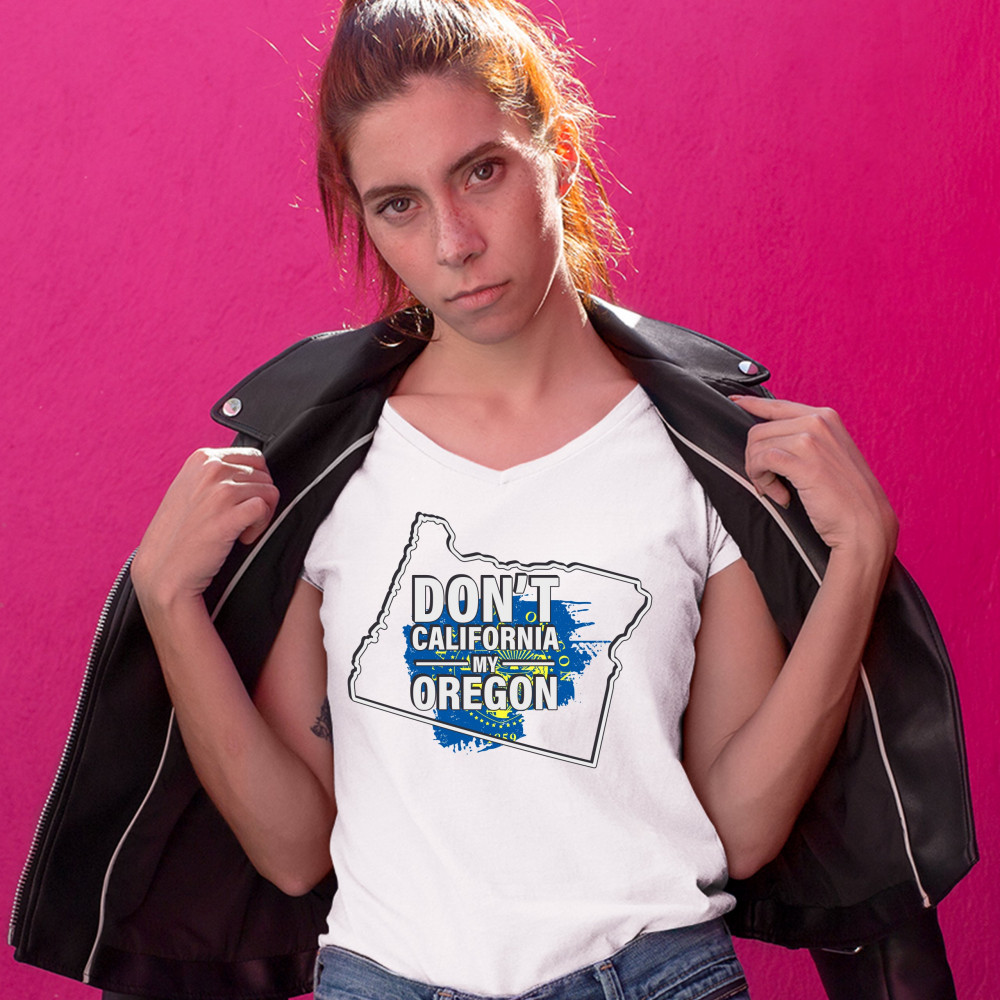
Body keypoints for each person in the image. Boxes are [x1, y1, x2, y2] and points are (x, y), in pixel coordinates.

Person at [10, 1, 973, 999]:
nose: (455, 242)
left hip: (652, 973)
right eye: (398, 204)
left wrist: (858, 564)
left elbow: (732, 829)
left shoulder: (702, 460)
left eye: (481, 171)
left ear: (558, 155)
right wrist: (168, 603)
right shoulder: (324, 470)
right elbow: (295, 851)